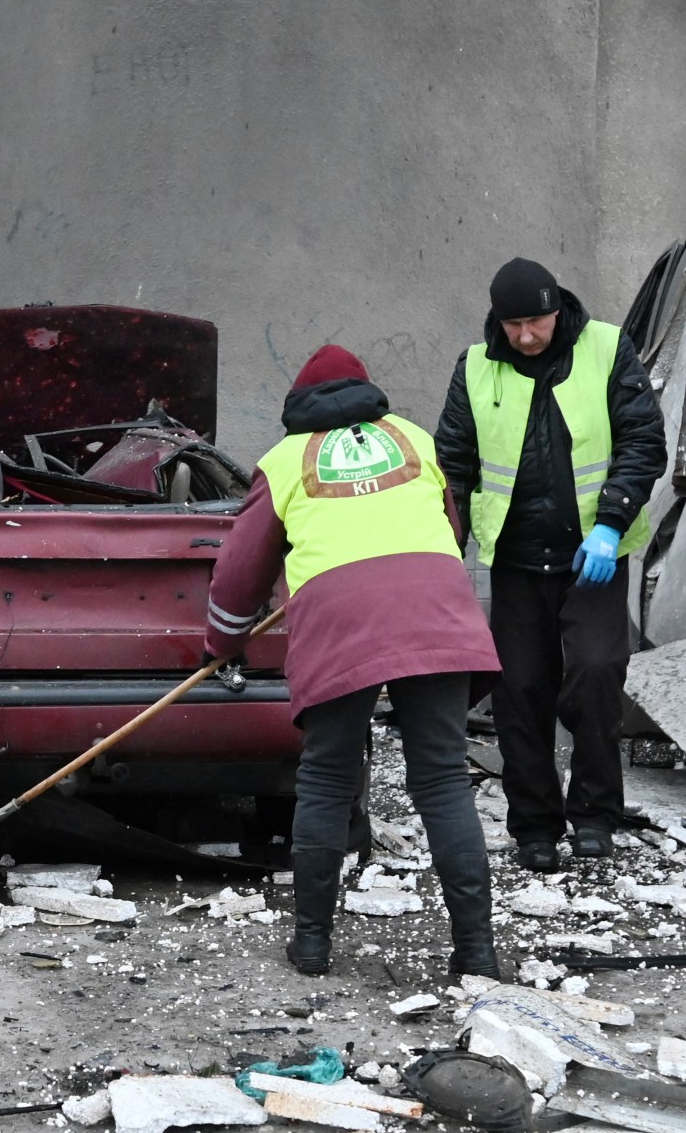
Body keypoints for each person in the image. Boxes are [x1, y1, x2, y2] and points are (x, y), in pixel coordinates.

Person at [206, 345, 503, 979]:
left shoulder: (285, 461)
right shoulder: (414, 439)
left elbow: (238, 573)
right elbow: (451, 532)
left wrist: (223, 643)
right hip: (434, 611)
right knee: (443, 780)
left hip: (340, 622)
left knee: (326, 779)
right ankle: (477, 952)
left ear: (298, 405)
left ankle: (312, 945)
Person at [434, 258, 666, 871]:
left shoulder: (607, 348)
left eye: (535, 322)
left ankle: (594, 816)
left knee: (596, 673)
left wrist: (611, 523)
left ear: (556, 311)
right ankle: (535, 825)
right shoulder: (475, 366)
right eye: (513, 326)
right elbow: (452, 462)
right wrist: (444, 547)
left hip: (592, 556)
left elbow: (643, 440)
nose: (526, 336)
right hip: (515, 558)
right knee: (519, 691)